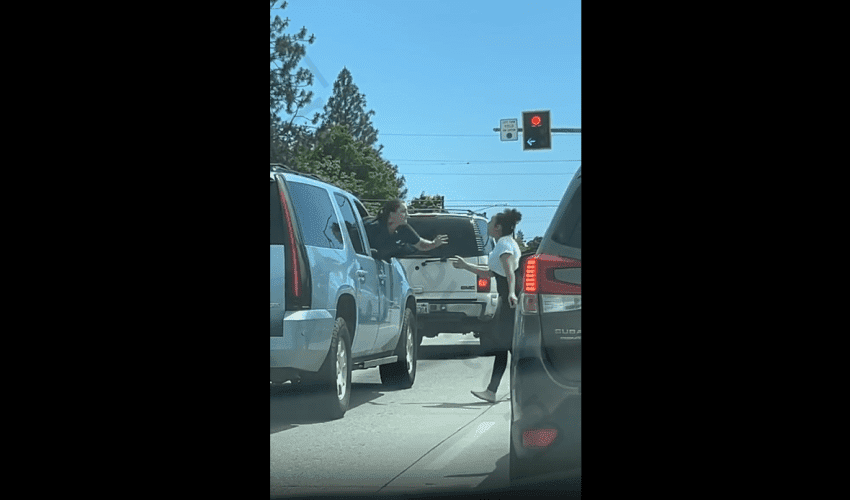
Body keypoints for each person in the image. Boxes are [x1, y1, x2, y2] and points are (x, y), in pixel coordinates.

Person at [449, 208, 522, 404]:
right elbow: (490, 273)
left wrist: (513, 293)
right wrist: (465, 266)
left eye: (491, 222)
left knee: (505, 347)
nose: (488, 224)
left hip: (509, 301)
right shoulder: (503, 243)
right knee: (509, 348)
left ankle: (497, 390)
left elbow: (509, 273)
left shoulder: (504, 245)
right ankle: (512, 390)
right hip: (507, 300)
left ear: (498, 227)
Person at [365, 199, 449, 262]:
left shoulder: (404, 229)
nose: (407, 215)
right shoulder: (372, 227)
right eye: (403, 211)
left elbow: (421, 244)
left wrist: (434, 243)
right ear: (391, 214)